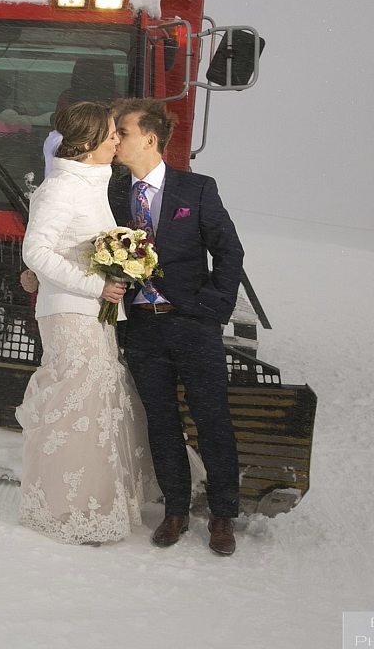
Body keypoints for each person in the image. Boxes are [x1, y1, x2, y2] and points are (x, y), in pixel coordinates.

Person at [107, 98, 245, 556]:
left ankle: (224, 515)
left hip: (194, 325)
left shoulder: (197, 189)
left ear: (149, 138)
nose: (116, 139)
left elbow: (230, 253)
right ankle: (176, 510)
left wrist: (213, 307)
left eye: (121, 132)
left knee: (212, 421)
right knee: (162, 423)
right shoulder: (112, 194)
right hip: (142, 327)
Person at [16, 101, 158, 545]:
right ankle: (71, 510)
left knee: (94, 402)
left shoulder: (89, 184)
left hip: (90, 312)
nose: (118, 140)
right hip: (69, 312)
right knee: (78, 404)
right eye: (113, 133)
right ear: (91, 141)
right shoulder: (62, 188)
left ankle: (88, 504)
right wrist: (96, 287)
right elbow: (35, 252)